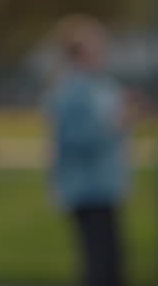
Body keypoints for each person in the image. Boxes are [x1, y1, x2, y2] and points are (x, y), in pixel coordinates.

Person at [45, 15, 148, 286]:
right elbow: (74, 138)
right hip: (87, 191)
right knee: (100, 266)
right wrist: (117, 124)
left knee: (112, 262)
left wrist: (129, 112)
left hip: (106, 187)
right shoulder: (71, 90)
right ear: (79, 52)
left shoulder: (101, 85)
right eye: (97, 47)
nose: (104, 52)